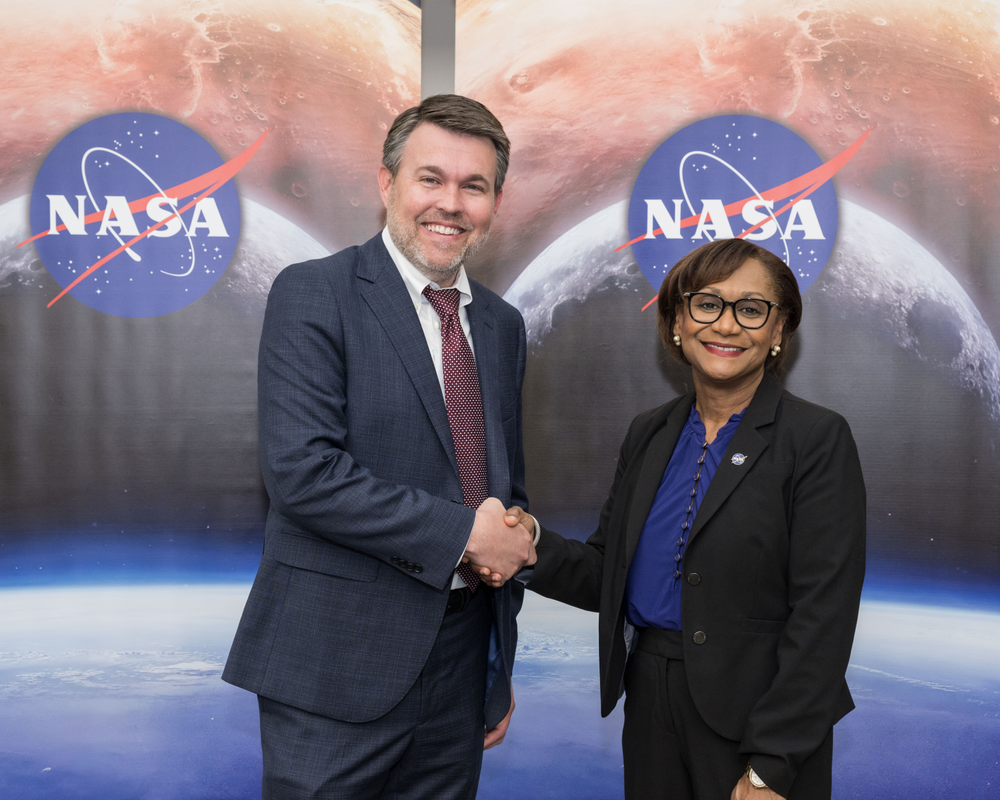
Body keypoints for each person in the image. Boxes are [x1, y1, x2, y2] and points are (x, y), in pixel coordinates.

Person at [222, 94, 537, 800]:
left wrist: (497, 650)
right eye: (431, 178)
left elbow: (501, 489)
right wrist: (469, 535)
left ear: (494, 202)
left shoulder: (503, 326)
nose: (450, 203)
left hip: (459, 667)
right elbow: (304, 474)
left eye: (474, 186)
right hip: (334, 667)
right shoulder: (315, 293)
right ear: (386, 183)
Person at [505, 238, 866, 800]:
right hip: (651, 697)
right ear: (677, 320)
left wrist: (773, 762)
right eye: (706, 304)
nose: (726, 325)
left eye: (751, 309)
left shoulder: (816, 440)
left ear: (779, 332)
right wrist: (530, 546)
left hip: (759, 719)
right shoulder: (648, 432)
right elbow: (610, 573)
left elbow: (823, 618)